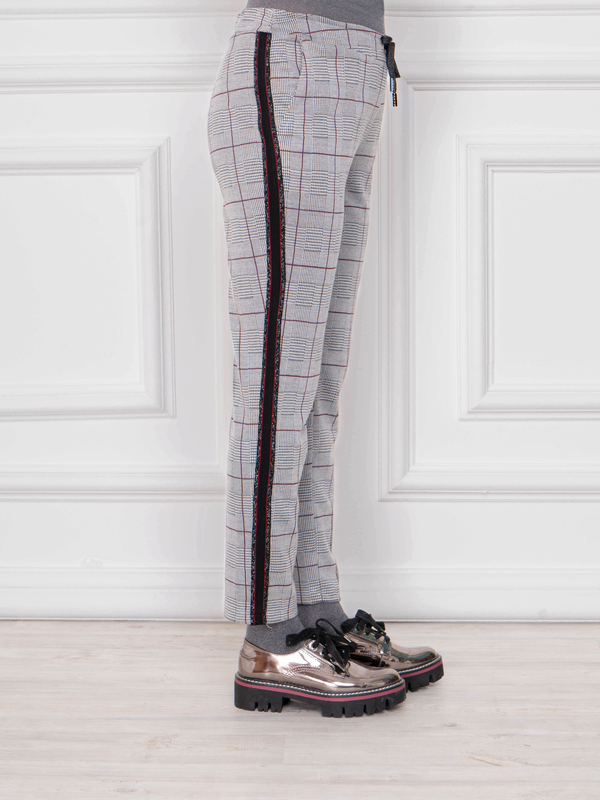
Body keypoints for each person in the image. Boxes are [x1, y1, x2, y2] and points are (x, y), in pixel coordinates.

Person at [207, 0, 443, 717]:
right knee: (278, 379)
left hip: (355, 66)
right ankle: (268, 636)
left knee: (316, 382)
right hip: (294, 57)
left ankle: (316, 612)